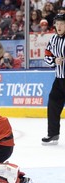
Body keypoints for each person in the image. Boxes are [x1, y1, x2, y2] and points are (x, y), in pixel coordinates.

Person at [42, 13, 65, 145]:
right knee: (53, 106)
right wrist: (54, 61)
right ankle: (53, 134)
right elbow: (47, 56)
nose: (59, 26)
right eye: (57, 24)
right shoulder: (54, 39)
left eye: (62, 23)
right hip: (59, 79)